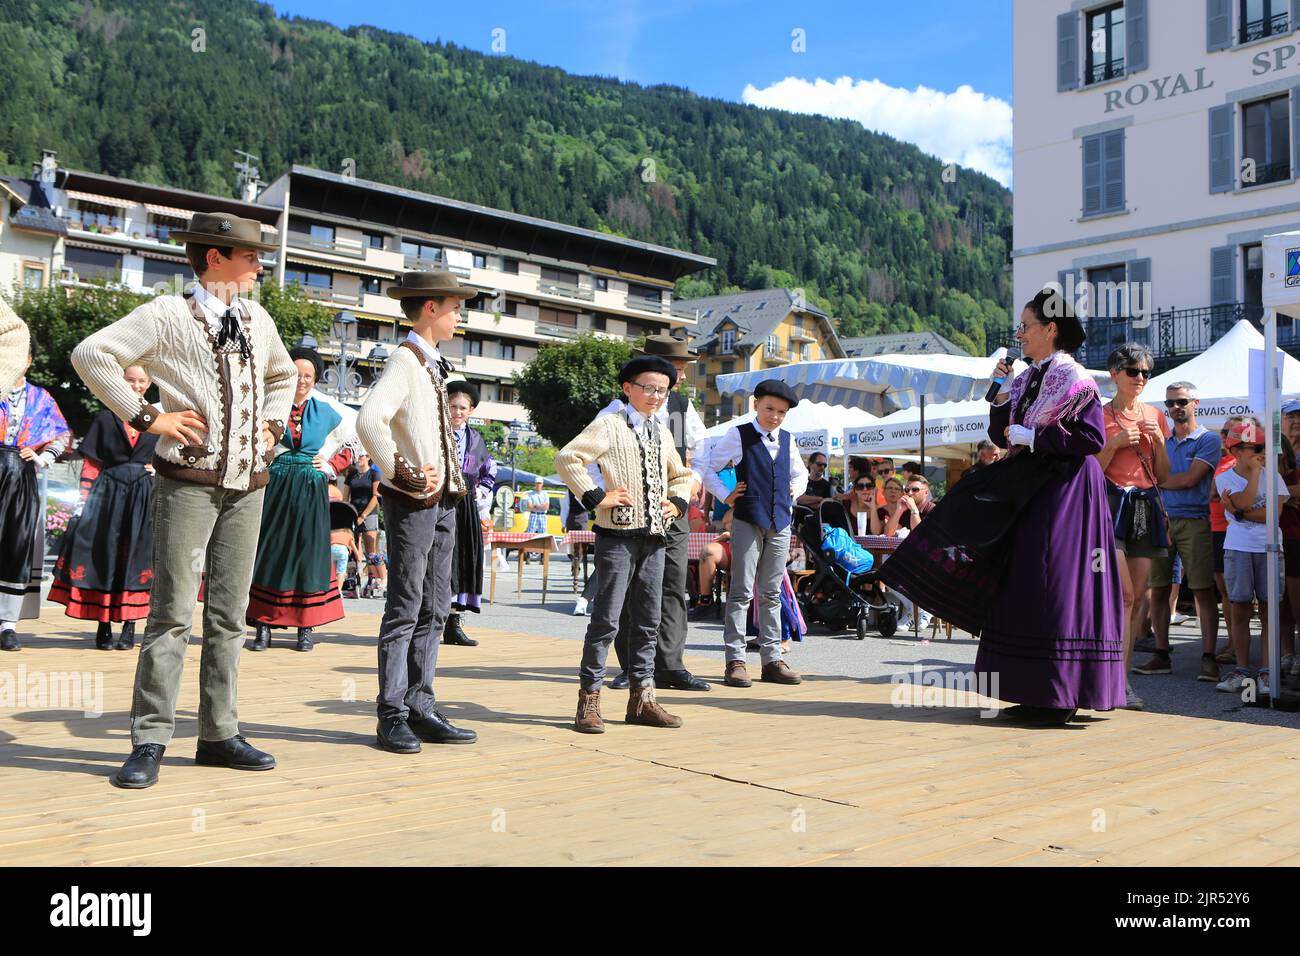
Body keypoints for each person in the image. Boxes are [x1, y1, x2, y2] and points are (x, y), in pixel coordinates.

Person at [72, 211, 297, 788]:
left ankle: (219, 733)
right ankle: (150, 737)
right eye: (250, 257)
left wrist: (272, 427)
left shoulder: (258, 319)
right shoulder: (167, 314)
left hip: (249, 488)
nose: (259, 267)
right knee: (171, 614)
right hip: (188, 486)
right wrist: (150, 417)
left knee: (228, 616)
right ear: (214, 258)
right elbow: (92, 355)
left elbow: (282, 376)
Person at [880, 288, 1125, 725]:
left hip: (1064, 490)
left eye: (1026, 326)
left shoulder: (1075, 378)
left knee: (1056, 581)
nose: (1020, 334)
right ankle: (1029, 689)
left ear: (1050, 329)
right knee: (1024, 578)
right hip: (1031, 484)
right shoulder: (1029, 376)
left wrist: (1039, 439)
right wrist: (998, 392)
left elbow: (1092, 439)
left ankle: (1060, 693)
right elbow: (1002, 434)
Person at [356, 269, 479, 754]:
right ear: (430, 309)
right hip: (414, 503)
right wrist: (402, 472)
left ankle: (420, 705)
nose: (459, 315)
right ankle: (392, 714)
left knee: (434, 607)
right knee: (406, 607)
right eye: (454, 306)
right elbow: (369, 421)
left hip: (442, 502)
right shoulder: (406, 362)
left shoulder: (432, 363)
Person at [555, 355, 694, 733]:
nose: (655, 396)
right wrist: (597, 495)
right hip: (616, 536)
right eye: (647, 388)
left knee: (649, 620)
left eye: (662, 390)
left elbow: (683, 475)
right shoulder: (609, 425)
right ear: (628, 388)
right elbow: (568, 458)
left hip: (655, 538)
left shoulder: (662, 431)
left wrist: (677, 501)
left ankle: (643, 698)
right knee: (606, 620)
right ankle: (589, 699)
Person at [602, 333, 712, 692]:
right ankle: (632, 666)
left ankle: (669, 664)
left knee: (673, 584)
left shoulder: (681, 405)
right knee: (631, 587)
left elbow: (704, 447)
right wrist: (603, 494)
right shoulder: (616, 409)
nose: (679, 377)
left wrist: (692, 480)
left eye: (681, 370)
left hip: (672, 509)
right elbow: (584, 455)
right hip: (633, 510)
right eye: (674, 369)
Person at [698, 379, 808, 688]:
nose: (775, 416)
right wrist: (726, 495)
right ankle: (735, 660)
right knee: (741, 590)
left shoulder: (788, 439)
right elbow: (709, 469)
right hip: (748, 518)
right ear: (755, 405)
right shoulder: (739, 434)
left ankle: (772, 660)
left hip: (781, 522)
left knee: (772, 592)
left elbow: (800, 475)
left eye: (781, 412)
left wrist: (793, 491)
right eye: (770, 408)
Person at [246, 346, 351, 652]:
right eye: (297, 374)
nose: (302, 380)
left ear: (315, 379)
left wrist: (330, 465)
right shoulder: (268, 405)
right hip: (275, 486)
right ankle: (262, 625)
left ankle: (305, 627)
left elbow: (358, 442)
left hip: (310, 489)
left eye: (308, 375)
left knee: (309, 554)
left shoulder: (328, 411)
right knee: (270, 551)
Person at [50, 365, 159, 649]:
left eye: (141, 381)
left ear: (148, 384)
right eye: (130, 380)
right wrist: (83, 501)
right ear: (121, 381)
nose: (135, 385)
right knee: (106, 554)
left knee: (136, 556)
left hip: (141, 497)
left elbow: (169, 454)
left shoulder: (158, 419)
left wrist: (155, 469)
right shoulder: (105, 417)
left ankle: (130, 627)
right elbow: (91, 464)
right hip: (108, 494)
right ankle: (104, 625)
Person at [1096, 343, 1170, 711]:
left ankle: (1122, 682)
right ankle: (1110, 680)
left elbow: (1165, 475)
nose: (1140, 377)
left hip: (1144, 505)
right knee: (1122, 595)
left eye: (1146, 372)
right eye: (1133, 370)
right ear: (1114, 373)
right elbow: (1090, 468)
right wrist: (1116, 443)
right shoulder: (1099, 413)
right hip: (1109, 503)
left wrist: (1158, 443)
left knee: (1137, 598)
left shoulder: (1156, 414)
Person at [1135, 382, 1222, 682]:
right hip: (1161, 519)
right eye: (1170, 403)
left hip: (1195, 520)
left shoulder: (1209, 439)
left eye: (1181, 402)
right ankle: (1161, 653)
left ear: (1195, 402)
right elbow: (1149, 477)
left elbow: (1188, 479)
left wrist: (1159, 480)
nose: (1176, 408)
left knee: (1202, 590)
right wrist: (1158, 481)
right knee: (1157, 590)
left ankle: (1209, 657)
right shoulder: (1163, 440)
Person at [1, 341, 72, 651]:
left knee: (16, 545)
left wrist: (43, 457)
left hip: (21, 476)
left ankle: (7, 624)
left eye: (21, 356)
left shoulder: (41, 398)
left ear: (28, 361)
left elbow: (62, 435)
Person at [1215, 418, 1290, 694]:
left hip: (1269, 548)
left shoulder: (1275, 477)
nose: (1257, 451)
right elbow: (1248, 502)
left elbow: (1274, 515)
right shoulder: (1225, 477)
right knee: (1240, 609)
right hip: (1239, 548)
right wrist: (1255, 478)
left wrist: (1238, 512)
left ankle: (1267, 670)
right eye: (1250, 447)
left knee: (1271, 609)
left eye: (1260, 446)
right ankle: (1242, 668)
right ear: (1235, 451)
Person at [444, 380, 497, 648]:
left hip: (467, 507)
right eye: (453, 406)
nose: (457, 411)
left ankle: (455, 623)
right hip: (440, 501)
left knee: (464, 558)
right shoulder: (436, 433)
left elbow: (489, 473)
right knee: (442, 559)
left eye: (463, 407)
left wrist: (482, 493)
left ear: (471, 410)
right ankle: (433, 617)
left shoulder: (477, 440)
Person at [1211, 417, 1245, 665]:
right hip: (1216, 528)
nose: (1226, 436)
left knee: (1236, 593)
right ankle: (1233, 641)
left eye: (1234, 432)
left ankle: (1237, 644)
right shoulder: (1223, 461)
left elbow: (1214, 492)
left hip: (1234, 530)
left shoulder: (1240, 462)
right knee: (1225, 591)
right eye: (1225, 431)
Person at [346, 452, 386, 598]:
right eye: (358, 456)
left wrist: (363, 515)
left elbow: (376, 496)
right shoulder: (352, 474)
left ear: (368, 457)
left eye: (362, 455)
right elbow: (346, 496)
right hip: (354, 512)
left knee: (371, 550)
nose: (359, 458)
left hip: (369, 513)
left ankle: (382, 578)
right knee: (352, 548)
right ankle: (354, 581)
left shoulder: (374, 474)